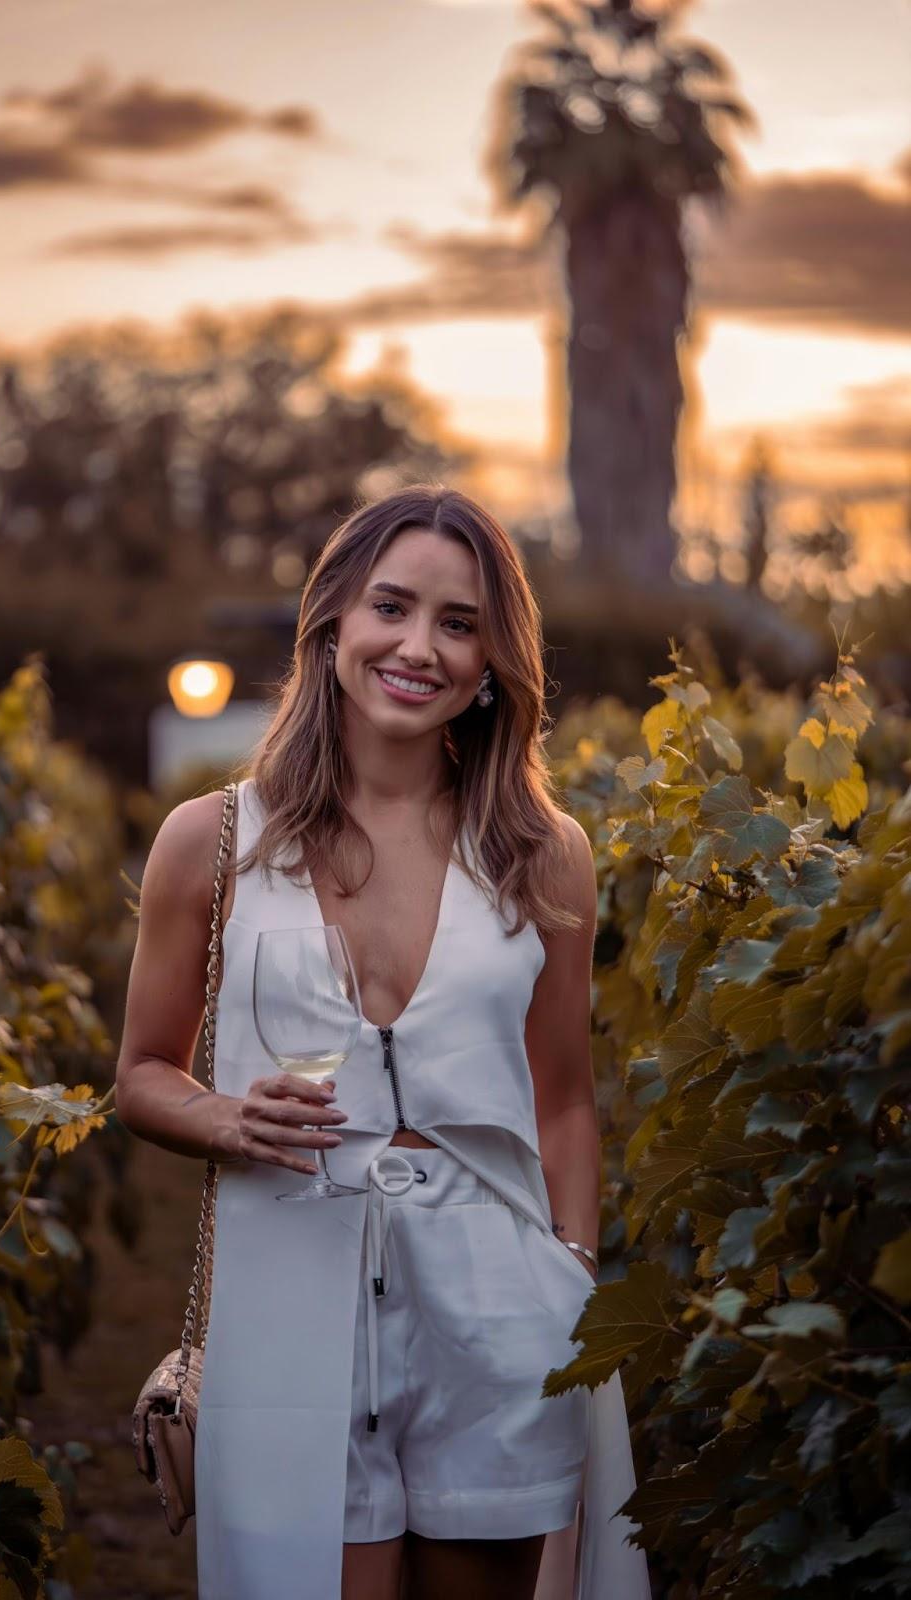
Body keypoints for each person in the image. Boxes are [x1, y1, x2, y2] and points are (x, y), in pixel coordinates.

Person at [116, 486, 651, 1600]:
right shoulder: (208, 842)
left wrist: (569, 1279)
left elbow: (563, 1100)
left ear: (495, 660)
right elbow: (139, 1075)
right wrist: (226, 1116)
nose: (419, 647)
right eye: (391, 608)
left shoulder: (544, 855)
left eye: (458, 624)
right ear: (331, 628)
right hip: (291, 1308)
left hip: (499, 1315)